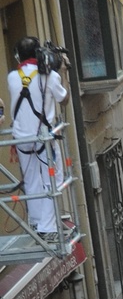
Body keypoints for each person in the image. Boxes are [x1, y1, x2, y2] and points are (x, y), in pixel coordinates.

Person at [7, 35, 69, 236]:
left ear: (19, 57)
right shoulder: (50, 77)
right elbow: (64, 100)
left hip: (22, 139)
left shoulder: (12, 77)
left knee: (32, 181)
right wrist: (62, 72)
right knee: (52, 181)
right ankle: (47, 227)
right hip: (43, 138)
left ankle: (36, 222)